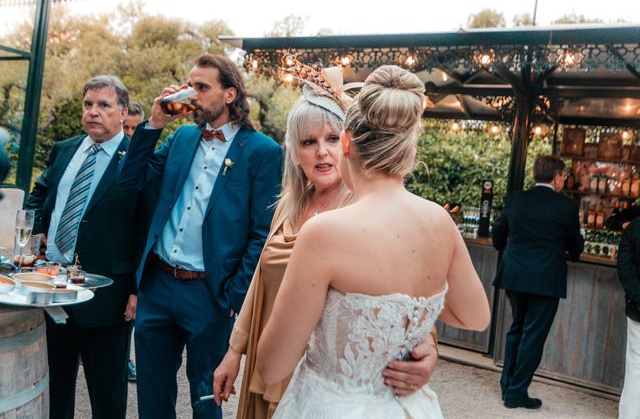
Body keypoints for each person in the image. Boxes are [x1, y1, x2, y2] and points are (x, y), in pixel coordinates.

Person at [255, 65, 490, 418]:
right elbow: (475, 316)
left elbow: (271, 367)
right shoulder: (440, 222)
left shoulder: (325, 232)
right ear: (408, 148)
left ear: (346, 143)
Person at [213, 62, 440, 418]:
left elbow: (410, 294)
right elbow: (260, 280)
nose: (321, 151)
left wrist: (429, 349)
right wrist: (234, 352)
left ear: (350, 144)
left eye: (332, 138)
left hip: (322, 386)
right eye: (309, 141)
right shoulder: (287, 206)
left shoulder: (370, 216)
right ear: (295, 152)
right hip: (267, 363)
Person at [117, 53, 283, 419]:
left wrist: (232, 297)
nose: (192, 93)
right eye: (190, 85)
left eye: (202, 87)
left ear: (229, 94)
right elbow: (130, 181)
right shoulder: (182, 138)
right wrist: (156, 123)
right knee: (152, 399)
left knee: (206, 401)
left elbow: (262, 233)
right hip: (158, 286)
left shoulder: (263, 152)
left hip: (210, 295)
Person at [25, 75, 140, 419]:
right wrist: (40, 228)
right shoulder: (65, 149)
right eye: (88, 104)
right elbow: (40, 192)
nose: (93, 112)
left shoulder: (136, 158)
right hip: (54, 287)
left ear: (123, 112)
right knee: (55, 389)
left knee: (107, 394)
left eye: (104, 105)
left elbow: (146, 225)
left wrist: (137, 290)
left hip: (107, 296)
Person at [492, 155, 584, 409]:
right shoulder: (566, 207)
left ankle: (507, 385)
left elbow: (498, 235)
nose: (564, 181)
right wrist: (569, 253)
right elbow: (575, 246)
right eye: (564, 176)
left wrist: (508, 248)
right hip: (545, 278)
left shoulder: (516, 199)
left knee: (516, 329)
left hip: (514, 274)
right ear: (556, 177)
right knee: (533, 335)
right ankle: (516, 392)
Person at [122, 101, 145, 381]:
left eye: (134, 129)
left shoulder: (145, 156)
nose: (129, 134)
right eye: (126, 127)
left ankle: (125, 358)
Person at [616, 216, 640, 419]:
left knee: (636, 365)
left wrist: (636, 296)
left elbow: (624, 264)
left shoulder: (635, 226)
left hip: (639, 308)